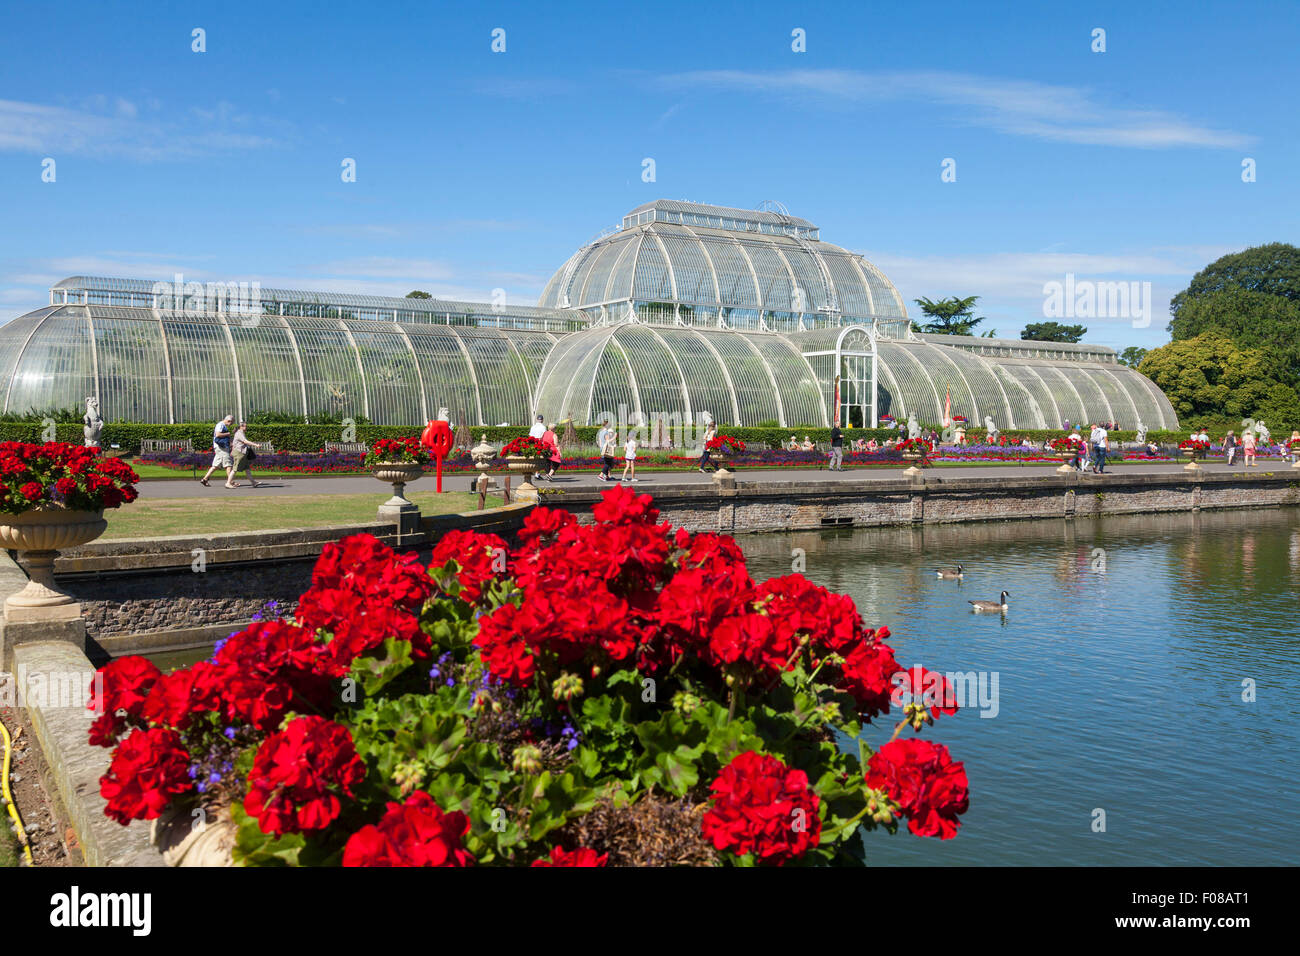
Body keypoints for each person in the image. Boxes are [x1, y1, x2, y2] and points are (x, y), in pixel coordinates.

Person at [201, 414, 237, 488]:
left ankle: (205, 479)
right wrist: (229, 433)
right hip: (221, 447)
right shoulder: (220, 425)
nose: (231, 424)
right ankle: (230, 482)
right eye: (231, 423)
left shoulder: (222, 425)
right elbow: (218, 434)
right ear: (228, 420)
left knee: (215, 465)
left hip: (220, 447)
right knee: (228, 464)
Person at [231, 421, 267, 487]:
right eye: (245, 426)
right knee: (235, 469)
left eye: (246, 426)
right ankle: (228, 482)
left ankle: (253, 482)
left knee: (247, 468)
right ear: (241, 427)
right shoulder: (239, 433)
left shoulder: (241, 433)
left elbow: (234, 443)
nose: (246, 427)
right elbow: (245, 441)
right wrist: (256, 445)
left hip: (243, 453)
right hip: (239, 453)